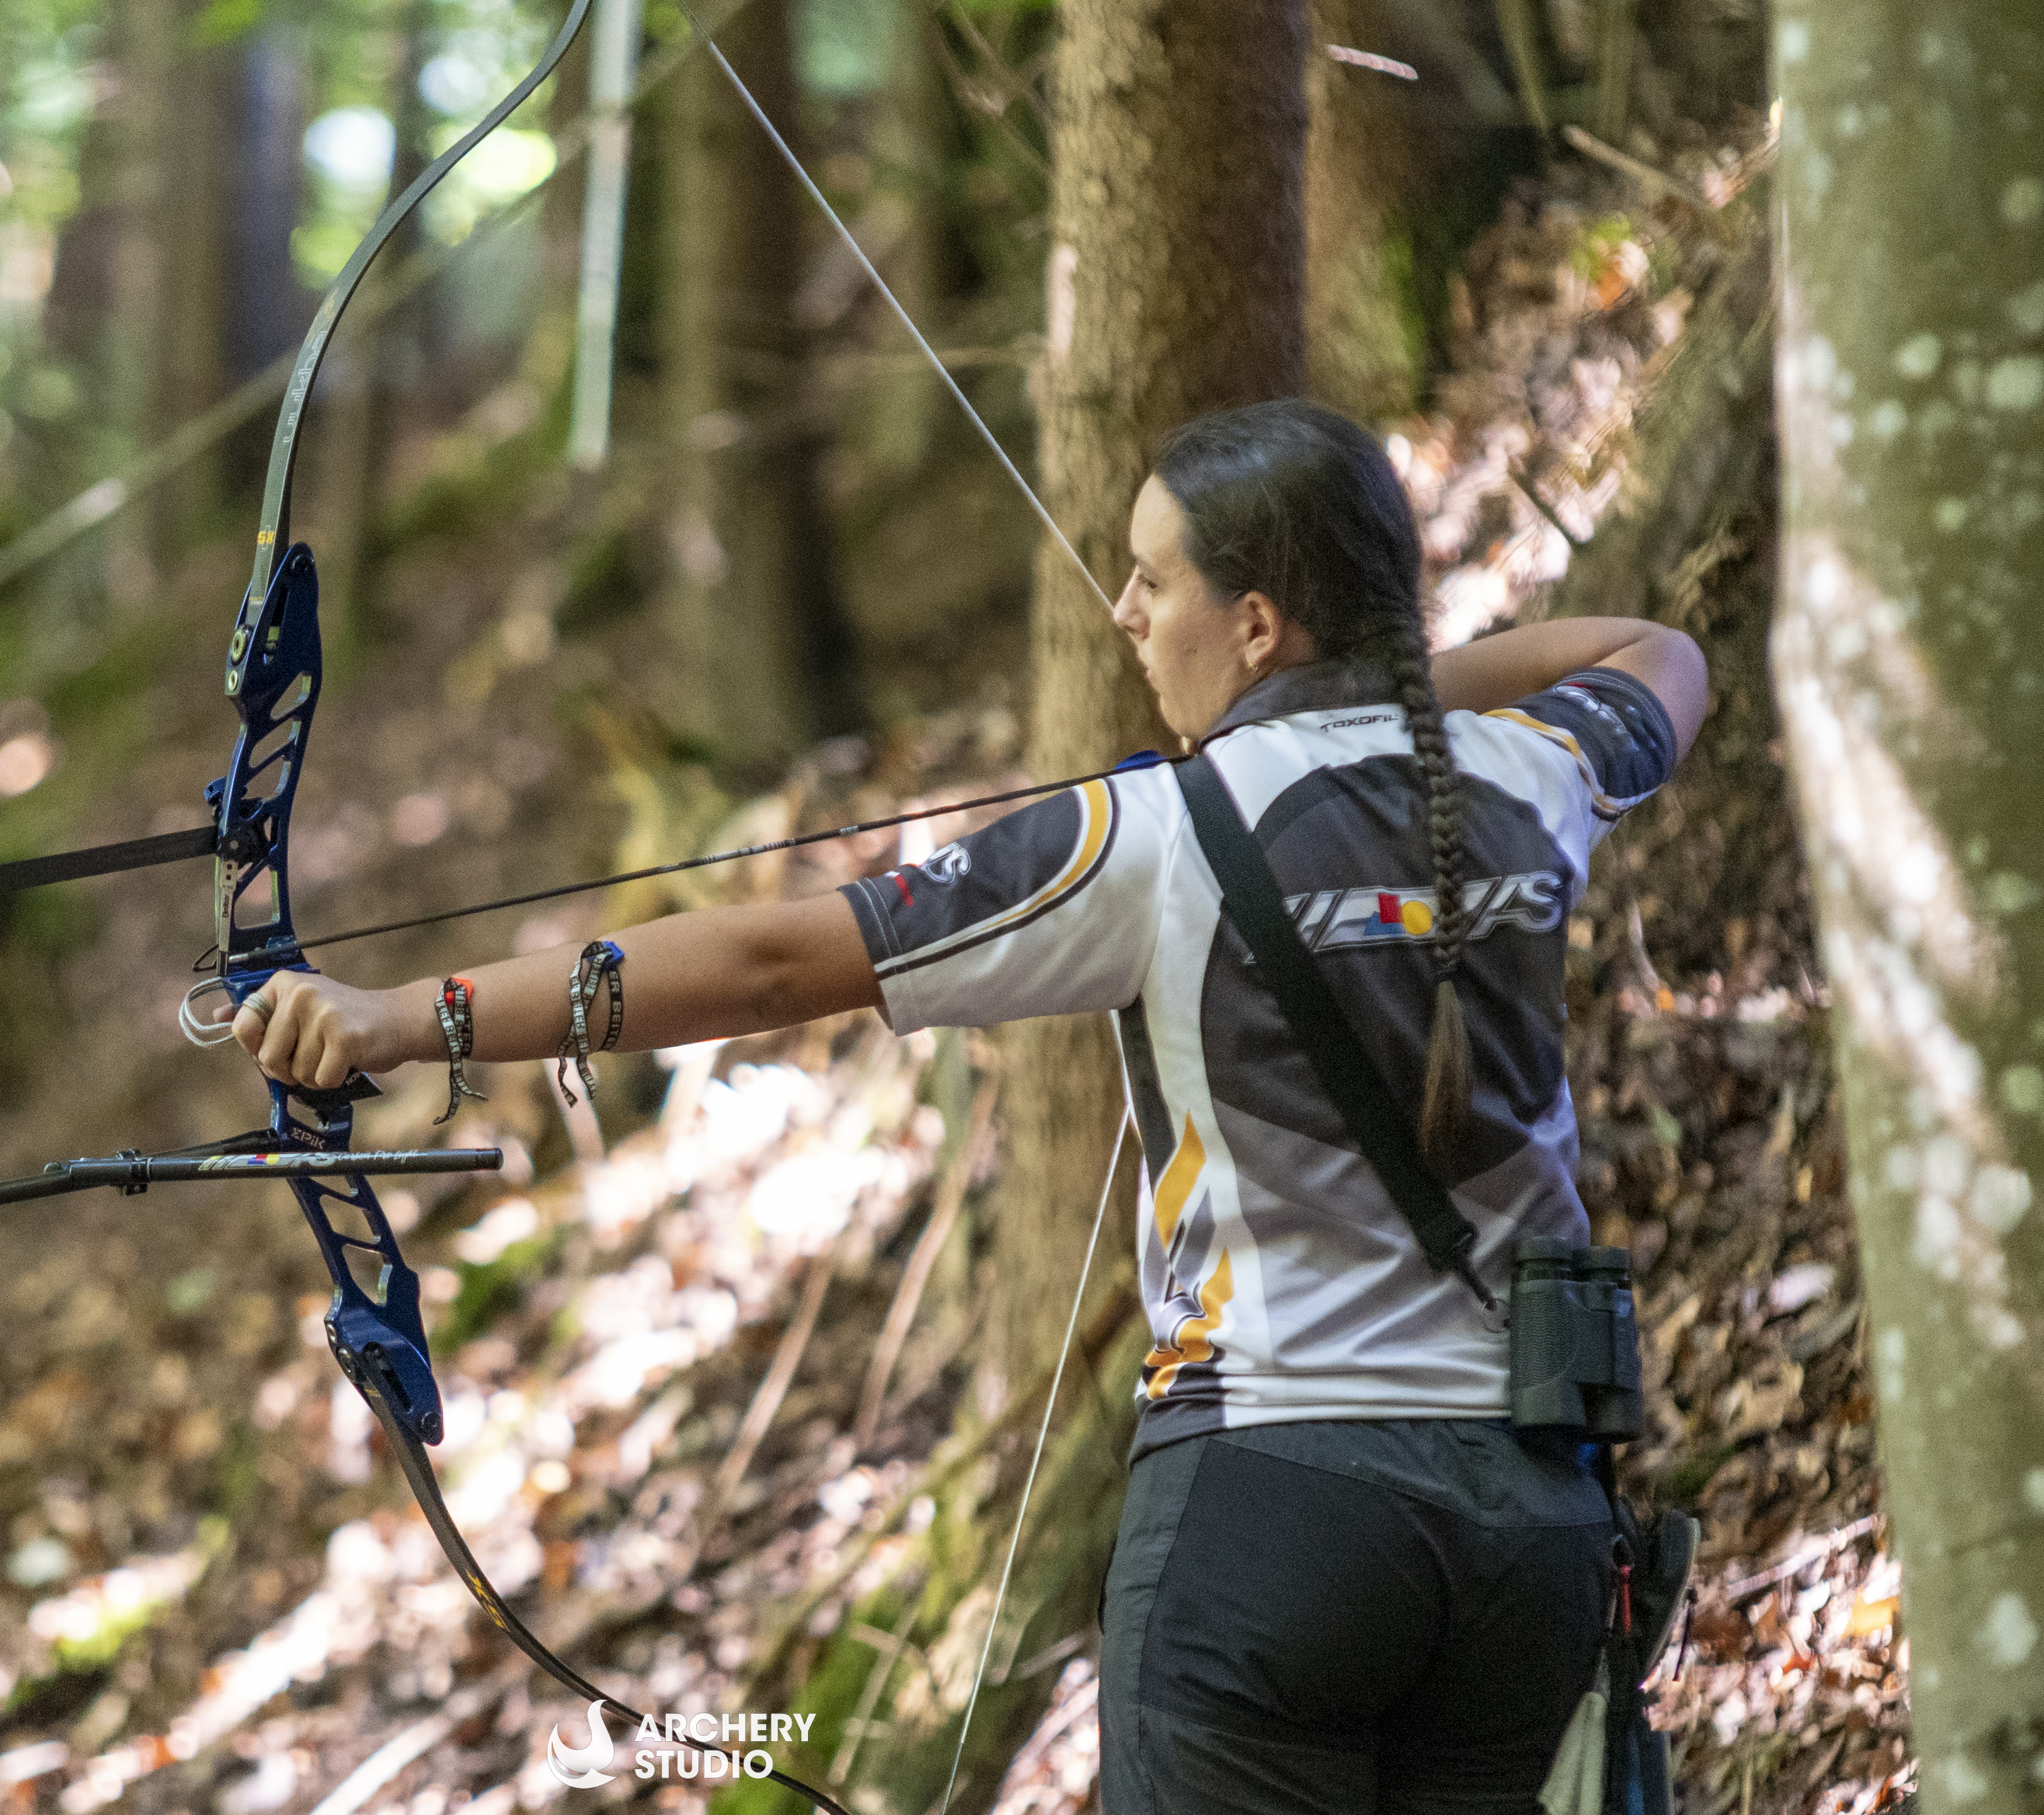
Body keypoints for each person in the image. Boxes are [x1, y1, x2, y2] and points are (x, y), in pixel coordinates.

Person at [228, 398, 1707, 1813]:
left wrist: (403, 1019)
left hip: (1279, 1513)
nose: (1125, 612)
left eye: (1153, 579)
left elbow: (761, 961)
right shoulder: (1532, 774)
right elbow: (1659, 649)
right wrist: (1367, 698)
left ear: (1256, 624)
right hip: (1531, 1535)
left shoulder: (1161, 835)